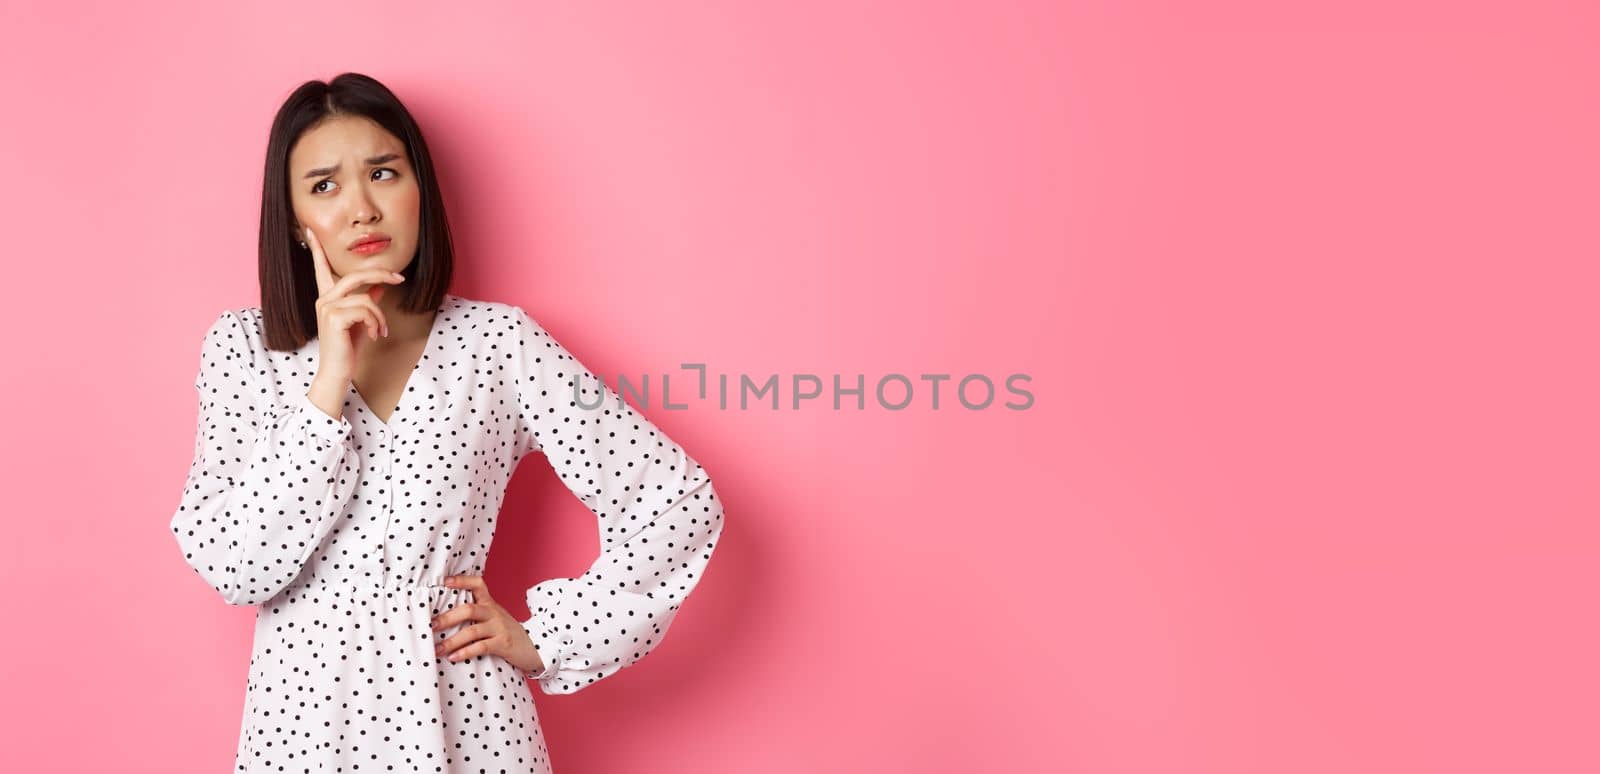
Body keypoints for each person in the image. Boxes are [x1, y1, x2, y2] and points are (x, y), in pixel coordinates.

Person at [168, 72, 726, 773]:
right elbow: (234, 564)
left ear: (419, 190)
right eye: (325, 186)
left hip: (469, 722)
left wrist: (550, 636)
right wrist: (328, 382)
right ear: (292, 220)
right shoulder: (244, 349)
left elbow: (674, 500)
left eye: (382, 173)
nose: (363, 209)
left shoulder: (500, 345)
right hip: (304, 730)